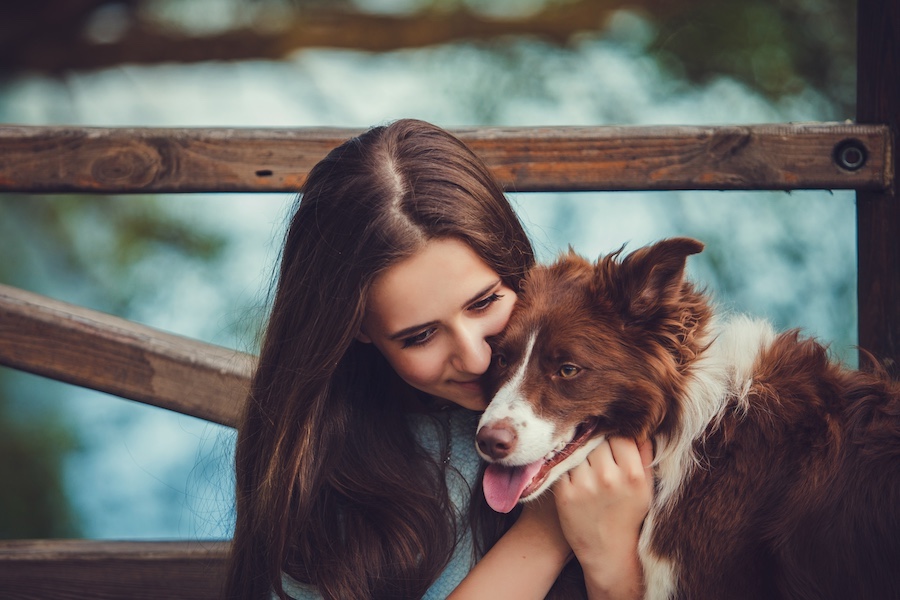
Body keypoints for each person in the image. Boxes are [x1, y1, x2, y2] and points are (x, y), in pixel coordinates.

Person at [224, 118, 653, 600]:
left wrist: (612, 562)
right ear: (358, 331)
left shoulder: (593, 391)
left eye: (484, 302)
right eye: (420, 336)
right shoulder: (319, 477)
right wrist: (547, 534)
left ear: (514, 269)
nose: (473, 359)